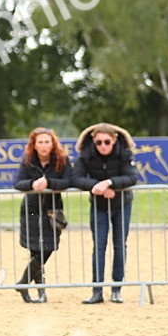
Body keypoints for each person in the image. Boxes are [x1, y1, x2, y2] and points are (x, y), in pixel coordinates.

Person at [71, 123, 137, 304]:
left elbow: (132, 177)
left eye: (107, 142)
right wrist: (96, 186)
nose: (103, 146)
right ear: (94, 141)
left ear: (114, 140)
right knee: (99, 246)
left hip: (122, 204)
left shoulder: (124, 154)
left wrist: (108, 182)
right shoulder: (86, 155)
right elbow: (75, 177)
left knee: (119, 245)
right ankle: (97, 291)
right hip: (99, 206)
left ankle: (116, 289)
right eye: (99, 142)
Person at [13, 127, 71, 303]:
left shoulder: (62, 160)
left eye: (47, 142)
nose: (44, 145)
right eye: (40, 142)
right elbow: (17, 183)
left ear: (53, 144)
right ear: (34, 145)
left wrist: (49, 182)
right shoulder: (28, 161)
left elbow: (69, 181)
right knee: (35, 250)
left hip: (52, 210)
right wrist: (32, 183)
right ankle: (40, 293)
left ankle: (23, 282)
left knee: (48, 247)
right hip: (30, 210)